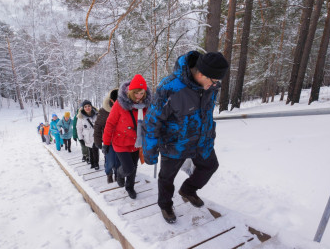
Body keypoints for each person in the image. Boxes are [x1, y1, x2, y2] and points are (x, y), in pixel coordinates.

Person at [142, 51, 229, 224]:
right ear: (201, 74)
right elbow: (152, 121)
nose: (216, 85)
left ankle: (188, 190)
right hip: (175, 143)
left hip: (201, 140)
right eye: (214, 81)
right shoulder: (170, 87)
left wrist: (209, 134)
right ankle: (165, 205)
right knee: (167, 177)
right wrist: (150, 151)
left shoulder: (210, 86)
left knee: (210, 166)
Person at [102, 74, 151, 199]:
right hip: (120, 142)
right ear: (130, 92)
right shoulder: (120, 104)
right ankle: (119, 173)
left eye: (142, 93)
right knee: (128, 168)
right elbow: (110, 123)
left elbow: (151, 122)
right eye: (136, 93)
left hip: (136, 143)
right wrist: (106, 143)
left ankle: (130, 187)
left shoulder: (146, 106)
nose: (139, 97)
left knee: (134, 168)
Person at [94, 88, 121, 183]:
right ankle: (109, 174)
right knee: (110, 161)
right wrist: (97, 142)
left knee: (119, 160)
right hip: (108, 142)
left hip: (120, 141)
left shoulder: (123, 109)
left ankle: (118, 175)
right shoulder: (104, 111)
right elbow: (97, 127)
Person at [77, 100, 100, 170]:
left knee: (95, 150)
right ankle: (92, 162)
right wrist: (80, 138)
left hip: (95, 136)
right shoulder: (80, 117)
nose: (87, 108)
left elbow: (101, 125)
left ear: (91, 106)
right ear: (83, 108)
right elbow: (79, 128)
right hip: (87, 136)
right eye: (85, 106)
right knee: (90, 149)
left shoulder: (97, 114)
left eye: (89, 106)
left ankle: (96, 163)